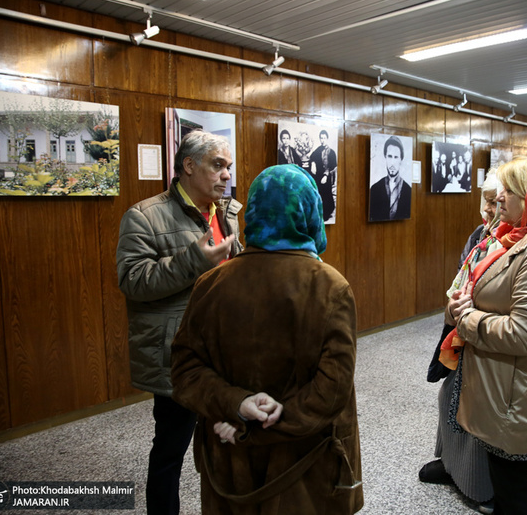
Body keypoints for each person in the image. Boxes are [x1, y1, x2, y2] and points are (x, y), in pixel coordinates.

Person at [171, 164, 363, 515]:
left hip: (228, 464)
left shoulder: (211, 284)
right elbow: (332, 391)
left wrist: (238, 407)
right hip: (306, 464)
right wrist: (259, 427)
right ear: (309, 212)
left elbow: (185, 372)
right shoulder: (330, 286)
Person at [116, 130, 244, 515]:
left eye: (229, 168)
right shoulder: (144, 215)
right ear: (189, 166)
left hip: (223, 351)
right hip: (178, 355)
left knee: (226, 443)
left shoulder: (226, 212)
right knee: (171, 450)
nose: (226, 176)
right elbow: (133, 282)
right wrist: (193, 261)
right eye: (217, 166)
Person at [442, 155, 527, 514]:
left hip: (517, 386)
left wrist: (468, 318)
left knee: (513, 480)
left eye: (509, 191)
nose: (499, 198)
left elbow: (523, 334)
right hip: (505, 380)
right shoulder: (521, 237)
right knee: (504, 476)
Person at [420, 169, 499, 514]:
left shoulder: (518, 243)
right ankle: (452, 466)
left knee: (476, 417)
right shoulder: (479, 235)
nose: (490, 208)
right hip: (461, 335)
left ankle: (478, 485)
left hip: (489, 342)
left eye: (498, 201)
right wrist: (454, 303)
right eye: (486, 199)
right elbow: (461, 277)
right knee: (448, 400)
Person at [368, 135, 411, 221]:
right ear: (385, 157)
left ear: (401, 160)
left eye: (396, 157)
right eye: (390, 156)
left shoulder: (408, 190)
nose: (392, 163)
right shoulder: (374, 189)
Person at [310, 129, 337, 221]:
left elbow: (333, 165)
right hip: (318, 176)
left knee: (326, 194)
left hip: (327, 177)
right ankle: (319, 213)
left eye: (324, 138)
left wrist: (326, 175)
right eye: (321, 138)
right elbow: (312, 157)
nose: (322, 140)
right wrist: (313, 163)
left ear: (327, 139)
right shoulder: (318, 150)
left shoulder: (332, 152)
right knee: (318, 194)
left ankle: (327, 213)